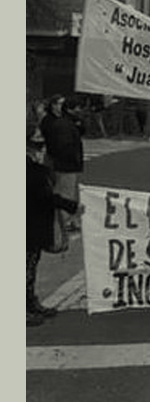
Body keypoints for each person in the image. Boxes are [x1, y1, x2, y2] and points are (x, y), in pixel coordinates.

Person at [27, 121, 80, 326]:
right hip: (28, 225)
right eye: (36, 141)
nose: (41, 146)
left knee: (31, 266)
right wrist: (72, 206)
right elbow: (44, 196)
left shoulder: (36, 166)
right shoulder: (29, 169)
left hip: (34, 224)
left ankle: (31, 302)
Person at [40, 94, 85, 232]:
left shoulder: (66, 121)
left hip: (65, 163)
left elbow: (81, 131)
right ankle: (64, 221)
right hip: (64, 163)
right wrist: (70, 158)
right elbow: (61, 145)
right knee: (65, 192)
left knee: (68, 191)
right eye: (58, 103)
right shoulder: (54, 122)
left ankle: (68, 219)